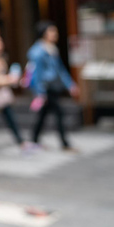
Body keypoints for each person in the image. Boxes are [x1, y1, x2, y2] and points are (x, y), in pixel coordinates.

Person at [27, 21, 79, 151]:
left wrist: (70, 84)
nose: (55, 34)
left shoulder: (52, 49)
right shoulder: (37, 51)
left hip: (53, 87)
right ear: (44, 33)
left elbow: (60, 69)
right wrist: (40, 92)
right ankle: (65, 143)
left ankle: (33, 140)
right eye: (52, 31)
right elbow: (36, 73)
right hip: (46, 88)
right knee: (58, 114)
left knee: (43, 116)